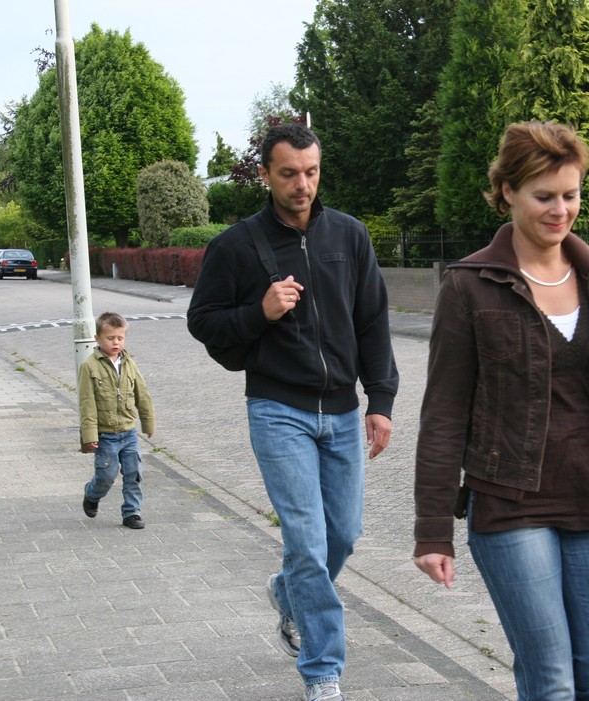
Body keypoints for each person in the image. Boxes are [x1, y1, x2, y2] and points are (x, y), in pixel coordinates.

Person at [413, 121, 589, 701]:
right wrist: (433, 530)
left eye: (570, 194)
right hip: (510, 505)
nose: (560, 210)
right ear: (507, 191)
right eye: (544, 196)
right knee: (552, 683)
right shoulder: (469, 287)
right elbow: (443, 416)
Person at [187, 123, 399, 701]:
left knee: (344, 535)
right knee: (307, 540)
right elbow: (203, 321)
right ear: (265, 174)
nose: (302, 184)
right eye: (288, 174)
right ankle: (323, 672)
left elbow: (372, 321)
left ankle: (288, 592)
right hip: (278, 409)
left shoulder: (349, 235)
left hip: (343, 412)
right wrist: (260, 311)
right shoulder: (237, 245)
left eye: (311, 172)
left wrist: (380, 401)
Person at [78, 311, 156, 529]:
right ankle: (92, 494)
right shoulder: (89, 367)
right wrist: (89, 435)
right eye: (110, 338)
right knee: (106, 476)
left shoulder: (129, 363)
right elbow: (87, 403)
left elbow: (142, 394)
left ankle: (132, 512)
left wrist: (148, 423)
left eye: (120, 338)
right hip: (105, 435)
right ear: (97, 339)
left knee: (134, 474)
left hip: (129, 432)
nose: (116, 342)